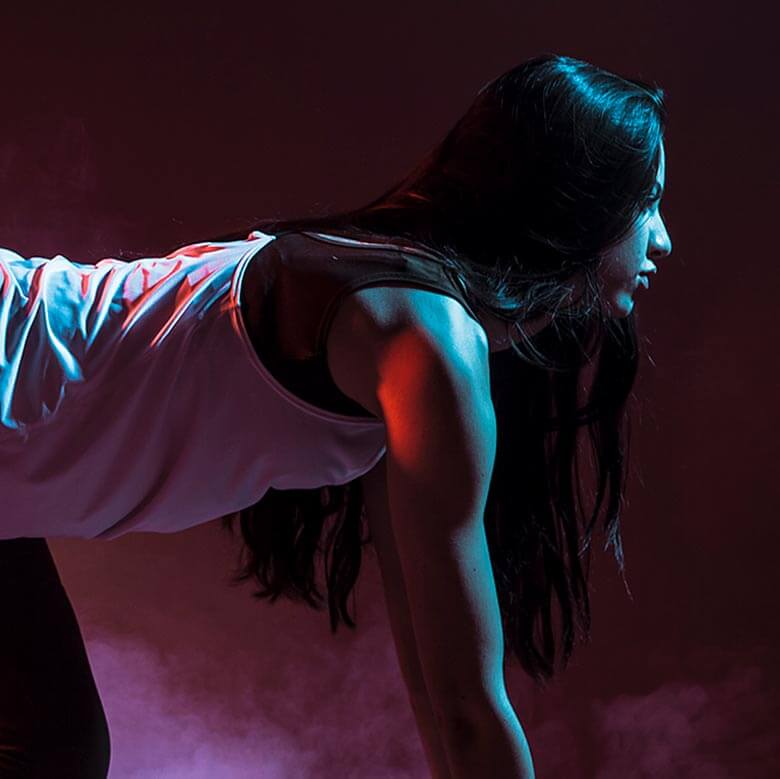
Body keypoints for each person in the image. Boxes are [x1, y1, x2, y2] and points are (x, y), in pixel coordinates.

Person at [0, 52, 671, 778]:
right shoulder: (427, 340)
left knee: (55, 745)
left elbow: (438, 682)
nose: (662, 239)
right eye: (647, 203)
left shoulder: (411, 336)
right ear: (579, 201)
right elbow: (467, 710)